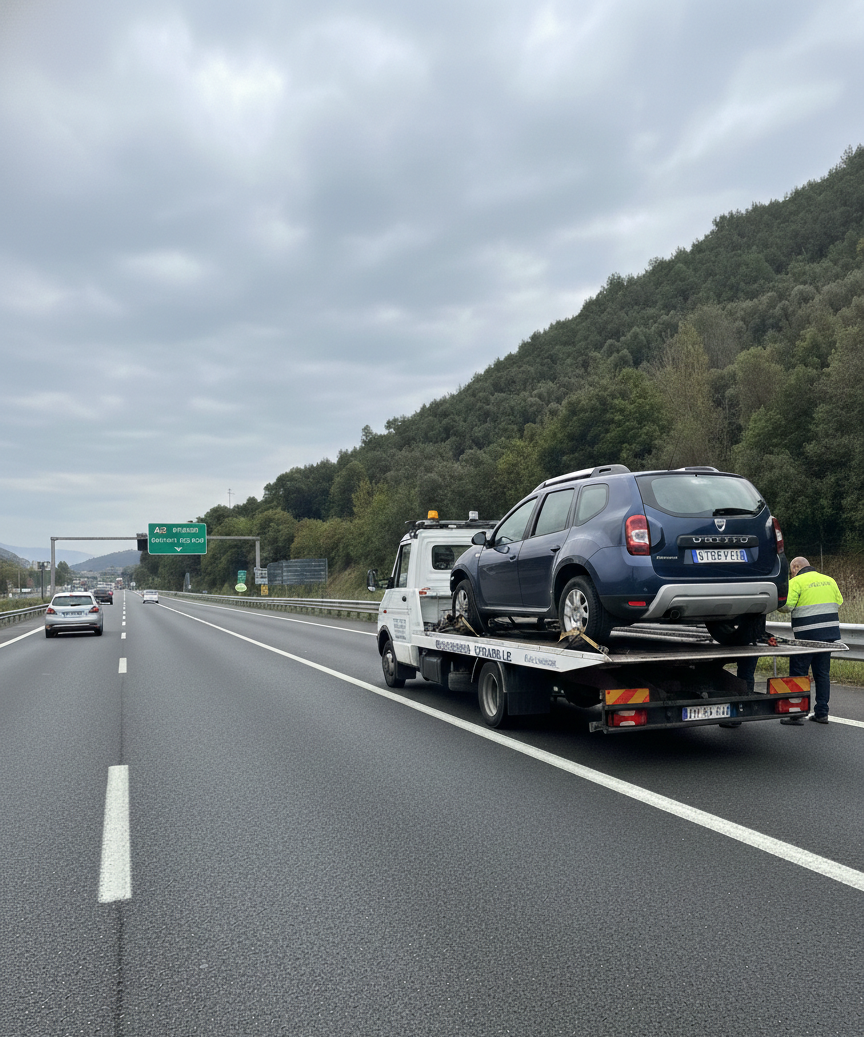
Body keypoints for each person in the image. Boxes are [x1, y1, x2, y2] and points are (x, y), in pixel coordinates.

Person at [779, 556, 843, 726]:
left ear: (796, 567)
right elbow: (839, 601)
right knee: (822, 674)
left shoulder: (796, 582)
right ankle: (822, 713)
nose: (791, 574)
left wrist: (776, 603)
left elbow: (787, 606)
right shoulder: (829, 580)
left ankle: (796, 714)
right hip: (828, 634)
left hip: (806, 636)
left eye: (791, 570)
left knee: (798, 673)